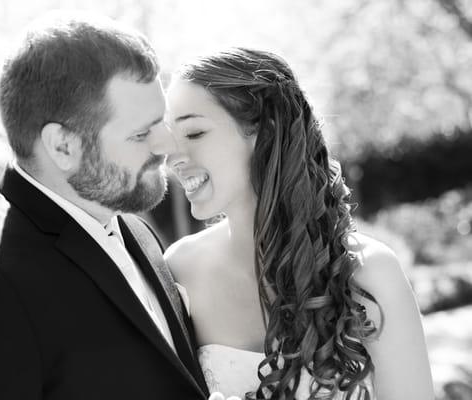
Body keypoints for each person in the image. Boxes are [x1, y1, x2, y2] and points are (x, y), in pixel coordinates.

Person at [165, 48, 435, 400]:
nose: (173, 158)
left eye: (195, 133)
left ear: (266, 130)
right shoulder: (180, 270)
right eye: (170, 137)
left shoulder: (369, 273)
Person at [0, 12, 209, 399]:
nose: (167, 145)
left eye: (160, 121)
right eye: (140, 133)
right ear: (63, 146)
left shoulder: (137, 230)